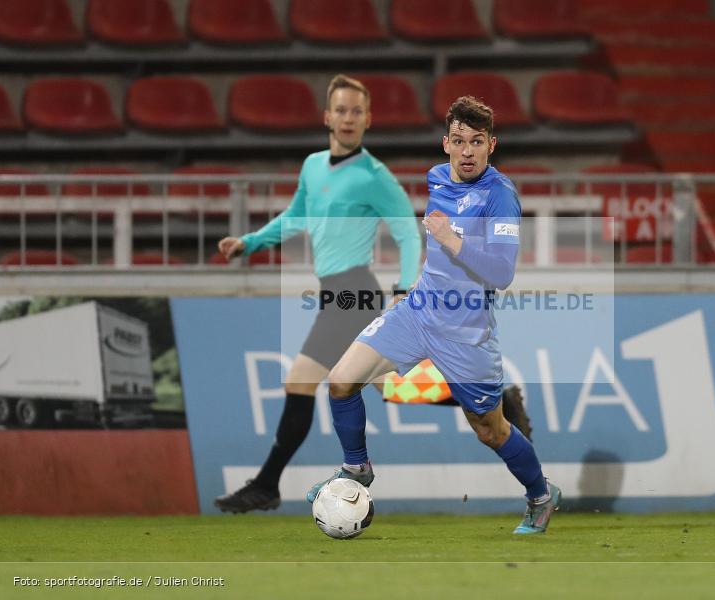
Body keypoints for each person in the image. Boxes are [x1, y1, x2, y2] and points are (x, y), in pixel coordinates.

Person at [214, 76, 533, 514]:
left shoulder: (374, 175)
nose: (348, 119)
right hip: (332, 291)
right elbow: (296, 215)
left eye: (356, 111)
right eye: (340, 110)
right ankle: (494, 402)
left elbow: (407, 229)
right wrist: (250, 243)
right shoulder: (313, 166)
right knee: (380, 385)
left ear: (367, 119)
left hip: (355, 289)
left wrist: (404, 287)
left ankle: (270, 483)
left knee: (308, 381)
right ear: (327, 117)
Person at [307, 96, 561, 535]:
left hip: (466, 334)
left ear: (491, 145)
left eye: (476, 142)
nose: (467, 151)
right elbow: (438, 255)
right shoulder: (438, 178)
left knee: (491, 431)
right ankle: (357, 469)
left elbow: (501, 272)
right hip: (417, 313)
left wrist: (451, 237)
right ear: (446, 144)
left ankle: (541, 496)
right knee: (341, 381)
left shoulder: (500, 197)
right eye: (459, 141)